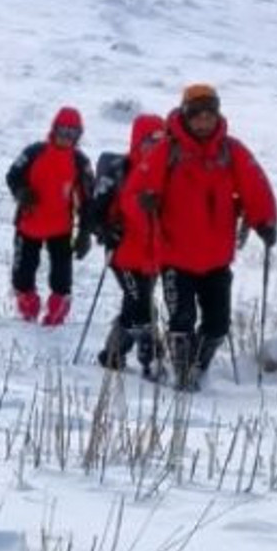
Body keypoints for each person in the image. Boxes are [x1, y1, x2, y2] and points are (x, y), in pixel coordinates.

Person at [153, 83, 277, 391]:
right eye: (197, 116)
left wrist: (265, 221)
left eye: (210, 115)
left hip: (216, 259)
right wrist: (144, 202)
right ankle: (182, 375)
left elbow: (255, 184)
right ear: (186, 116)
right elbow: (139, 186)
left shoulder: (230, 150)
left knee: (218, 325)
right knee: (181, 321)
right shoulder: (167, 150)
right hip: (174, 257)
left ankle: (198, 367)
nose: (204, 122)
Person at [88, 114, 167, 378]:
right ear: (136, 141)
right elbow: (94, 211)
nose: (155, 146)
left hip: (154, 256)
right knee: (141, 305)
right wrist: (106, 230)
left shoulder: (167, 172)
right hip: (123, 254)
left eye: (161, 140)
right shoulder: (119, 170)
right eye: (149, 140)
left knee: (135, 305)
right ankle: (151, 359)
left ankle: (112, 354)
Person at [5, 106, 95, 325]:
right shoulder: (34, 152)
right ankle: (27, 309)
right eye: (63, 131)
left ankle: (57, 315)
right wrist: (21, 192)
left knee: (61, 278)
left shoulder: (80, 162)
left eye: (73, 133)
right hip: (28, 225)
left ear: (78, 137)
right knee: (23, 275)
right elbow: (12, 175)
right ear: (53, 130)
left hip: (61, 229)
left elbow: (87, 200)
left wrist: (84, 233)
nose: (66, 137)